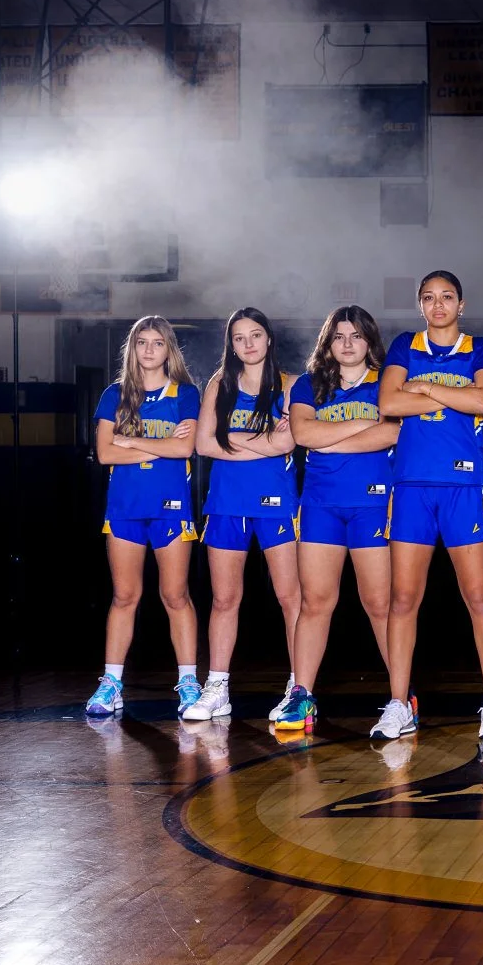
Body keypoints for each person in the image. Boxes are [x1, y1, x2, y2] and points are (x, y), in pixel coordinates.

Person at [375, 270, 483, 745]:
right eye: (428, 298)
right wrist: (451, 396)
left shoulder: (481, 348)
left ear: (461, 304)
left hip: (464, 486)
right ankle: (398, 703)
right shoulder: (404, 345)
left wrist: (424, 389)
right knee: (403, 599)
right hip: (410, 487)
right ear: (420, 305)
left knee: (480, 598)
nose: (438, 305)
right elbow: (387, 401)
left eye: (447, 297)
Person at [278, 306, 399, 731]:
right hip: (320, 506)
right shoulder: (308, 385)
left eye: (356, 336)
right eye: (339, 336)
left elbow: (393, 432)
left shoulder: (386, 381)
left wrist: (332, 439)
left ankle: (402, 698)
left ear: (370, 341)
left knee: (379, 604)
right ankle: (301, 695)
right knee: (315, 602)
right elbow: (304, 435)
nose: (348, 344)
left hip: (373, 504)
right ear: (327, 343)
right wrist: (361, 425)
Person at [84, 317, 202, 718]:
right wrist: (161, 446)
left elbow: (185, 450)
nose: (149, 350)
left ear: (169, 349)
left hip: (170, 506)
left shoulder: (185, 394)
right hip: (125, 508)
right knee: (124, 596)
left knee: (175, 595)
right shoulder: (113, 395)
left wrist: (130, 439)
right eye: (142, 343)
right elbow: (105, 454)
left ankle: (189, 681)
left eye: (157, 343)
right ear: (131, 349)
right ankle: (111, 683)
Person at [189, 307, 300, 723]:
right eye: (239, 337)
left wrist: (232, 437)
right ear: (231, 344)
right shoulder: (220, 384)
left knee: (291, 598)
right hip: (227, 502)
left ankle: (299, 685)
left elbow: (287, 445)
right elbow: (204, 444)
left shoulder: (290, 385)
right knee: (224, 598)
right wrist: (264, 439)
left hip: (277, 502)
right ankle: (217, 686)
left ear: (269, 338)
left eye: (255, 335)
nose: (248, 343)